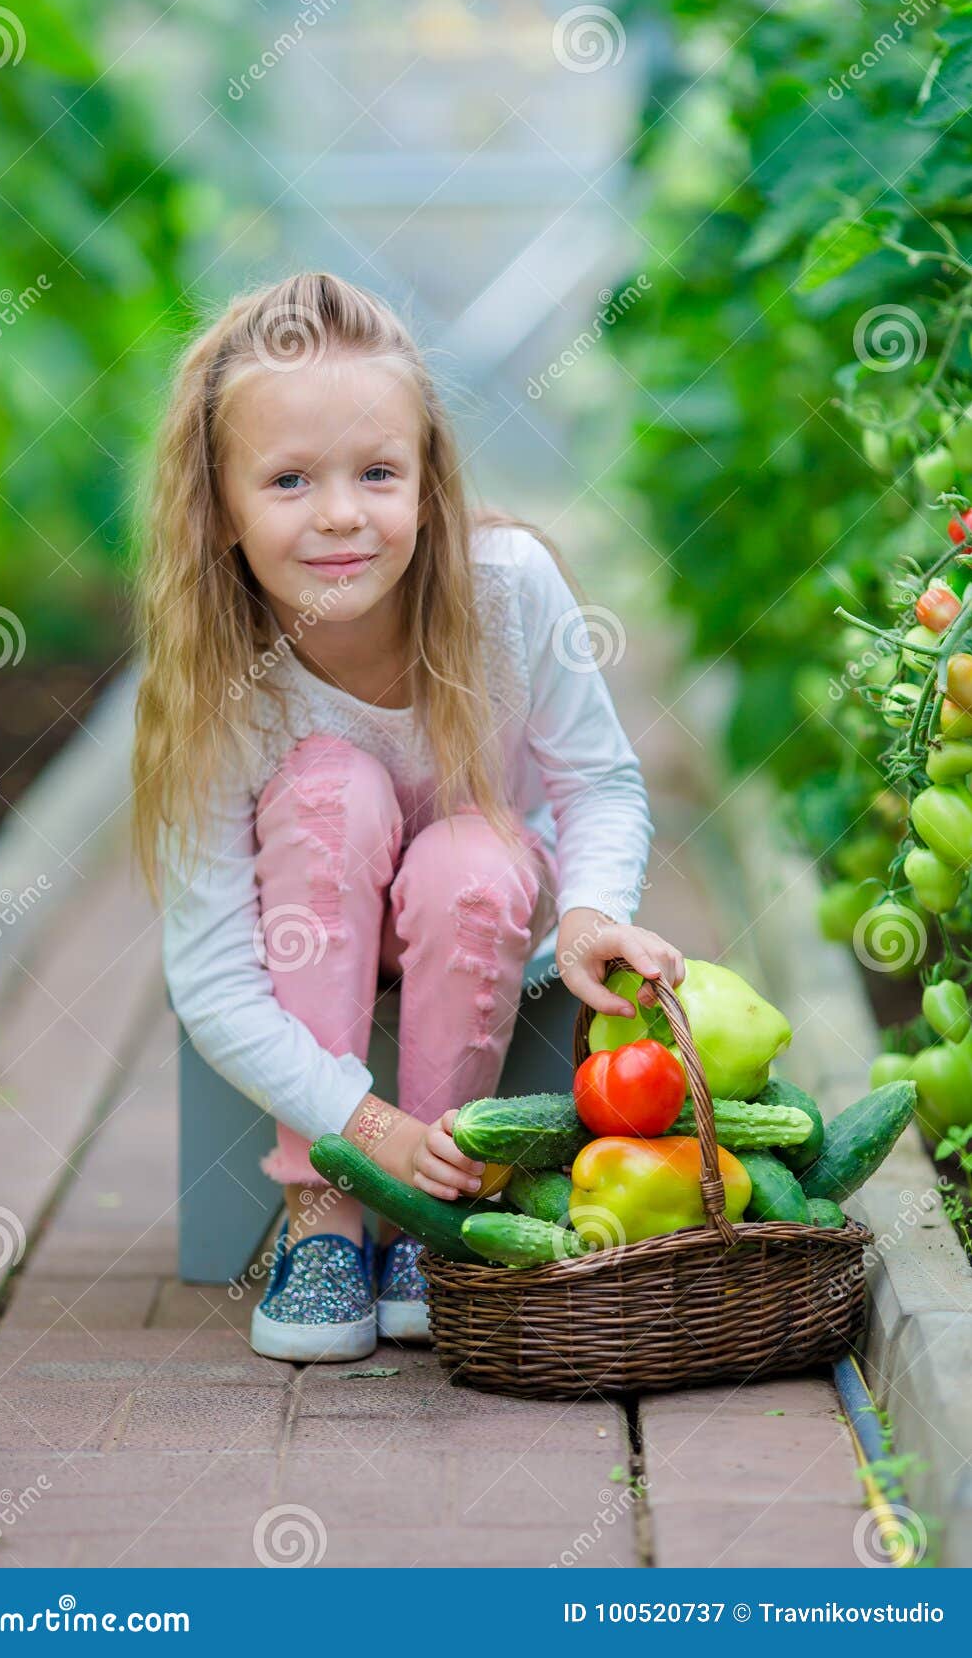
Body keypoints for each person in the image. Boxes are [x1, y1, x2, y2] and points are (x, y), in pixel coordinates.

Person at [131, 270, 685, 1364]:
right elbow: (211, 976)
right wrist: (363, 1128)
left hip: (466, 910)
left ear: (428, 484)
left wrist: (586, 914)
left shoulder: (507, 589)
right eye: (288, 479)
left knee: (473, 853)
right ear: (220, 508)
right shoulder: (225, 677)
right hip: (310, 915)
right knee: (331, 787)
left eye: (376, 472)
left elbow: (597, 783)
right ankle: (324, 1215)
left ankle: (434, 1220)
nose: (341, 512)